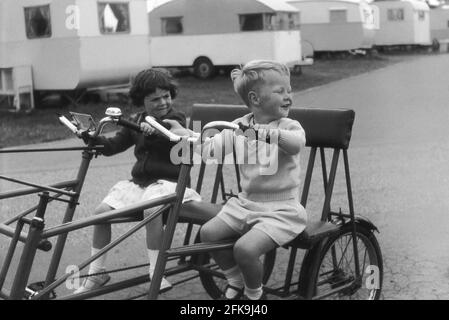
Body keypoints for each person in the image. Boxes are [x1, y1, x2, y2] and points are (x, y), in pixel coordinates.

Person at [168, 60, 308, 300]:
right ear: (255, 99)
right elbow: (212, 149)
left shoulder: (289, 125)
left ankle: (254, 295)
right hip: (245, 204)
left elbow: (296, 144)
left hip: (281, 209)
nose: (288, 96)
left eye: (289, 90)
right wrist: (187, 136)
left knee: (244, 249)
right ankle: (235, 279)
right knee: (208, 233)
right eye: (280, 91)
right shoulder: (239, 127)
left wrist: (265, 134)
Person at [74, 68, 201, 294]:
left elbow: (176, 142)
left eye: (166, 96)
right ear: (141, 102)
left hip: (170, 184)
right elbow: (113, 146)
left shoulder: (176, 118)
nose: (163, 102)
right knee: (100, 212)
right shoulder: (136, 121)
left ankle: (156, 271)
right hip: (142, 185)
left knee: (150, 210)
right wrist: (91, 137)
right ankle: (97, 272)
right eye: (155, 99)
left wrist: (157, 128)